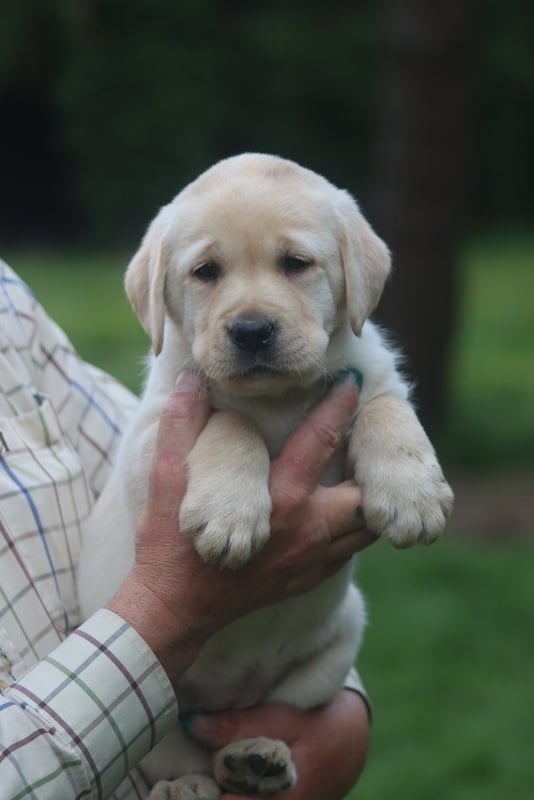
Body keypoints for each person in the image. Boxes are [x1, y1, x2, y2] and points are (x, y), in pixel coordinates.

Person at [0, 259, 375, 799]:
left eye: (294, 263)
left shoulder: (8, 301)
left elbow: (146, 451)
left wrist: (333, 713)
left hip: (260, 687)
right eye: (207, 270)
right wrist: (169, 614)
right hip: (151, 747)